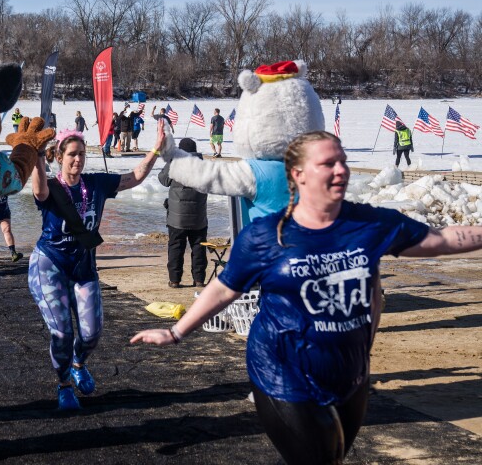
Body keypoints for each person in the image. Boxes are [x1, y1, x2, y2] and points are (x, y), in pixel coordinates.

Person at [131, 130, 482, 465]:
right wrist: (176, 332)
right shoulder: (266, 236)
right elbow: (224, 288)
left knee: (334, 455)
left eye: (342, 161)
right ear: (298, 174)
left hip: (349, 372)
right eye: (328, 163)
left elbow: (441, 240)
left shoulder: (370, 224)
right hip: (282, 373)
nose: (341, 170)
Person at [29, 121, 165, 410]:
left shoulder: (96, 184)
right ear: (59, 156)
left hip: (83, 267)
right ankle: (64, 385)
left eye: (81, 154)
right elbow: (39, 192)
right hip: (50, 265)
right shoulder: (52, 187)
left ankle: (78, 364)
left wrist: (155, 149)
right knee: (62, 333)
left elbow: (134, 178)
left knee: (91, 334)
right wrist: (38, 156)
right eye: (72, 154)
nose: (77, 159)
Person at [158, 138, 208, 288]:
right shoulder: (203, 166)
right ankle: (199, 280)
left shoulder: (175, 163)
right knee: (199, 247)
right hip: (198, 216)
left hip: (176, 217)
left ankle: (174, 280)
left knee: (176, 247)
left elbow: (163, 179)